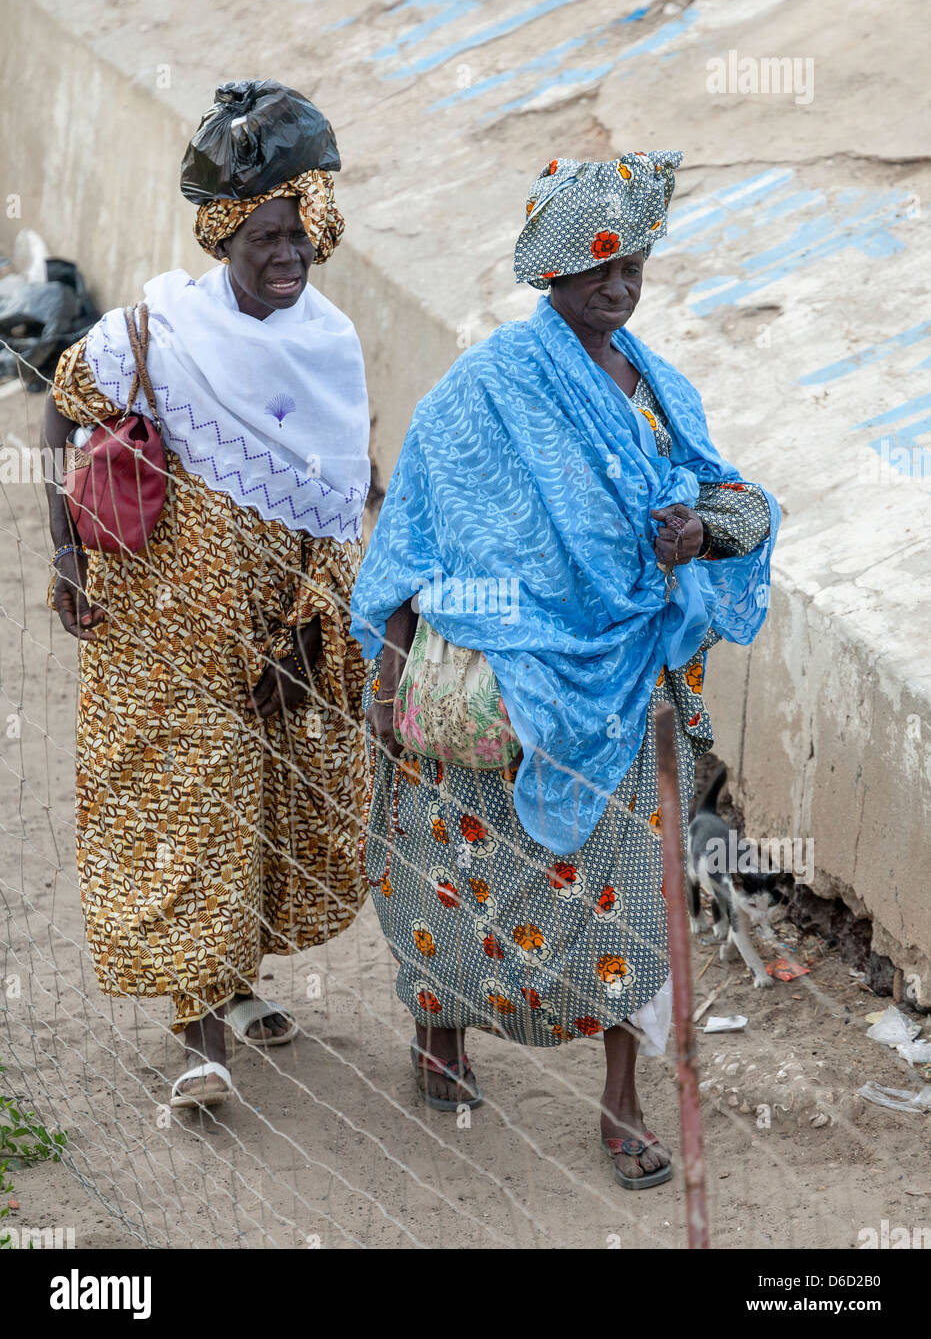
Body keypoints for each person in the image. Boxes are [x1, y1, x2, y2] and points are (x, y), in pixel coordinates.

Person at [351, 151, 779, 1187]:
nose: (619, 286)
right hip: (495, 686)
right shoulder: (486, 388)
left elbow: (740, 501)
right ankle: (440, 1027)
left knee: (634, 899)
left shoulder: (657, 389)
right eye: (596, 270)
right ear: (548, 276)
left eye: (631, 262)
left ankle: (622, 1096)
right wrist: (387, 673)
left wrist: (703, 530)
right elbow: (413, 525)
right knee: (457, 877)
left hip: (626, 694)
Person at [43, 85, 371, 1109]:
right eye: (265, 237)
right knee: (182, 818)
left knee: (260, 812)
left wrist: (309, 642)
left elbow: (337, 509)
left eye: (299, 237)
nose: (287, 257)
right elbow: (62, 410)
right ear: (223, 238)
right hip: (158, 638)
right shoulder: (157, 334)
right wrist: (63, 553)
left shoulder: (330, 349)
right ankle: (200, 1046)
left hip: (274, 642)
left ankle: (229, 988)